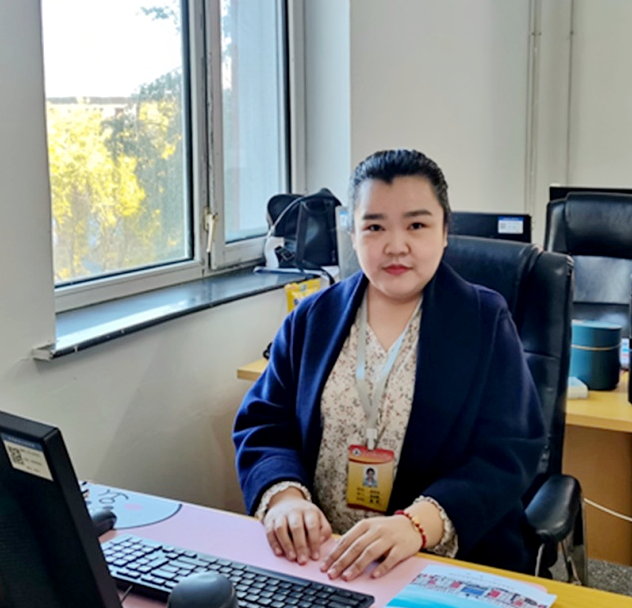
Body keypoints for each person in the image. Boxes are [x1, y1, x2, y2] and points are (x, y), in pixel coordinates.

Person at [233, 149, 546, 582]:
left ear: (444, 231)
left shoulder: (483, 320)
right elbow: (264, 422)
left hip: (438, 565)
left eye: (416, 225)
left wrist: (417, 524)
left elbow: (509, 451)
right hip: (321, 559)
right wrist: (285, 497)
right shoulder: (312, 318)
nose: (396, 246)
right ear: (352, 233)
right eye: (375, 226)